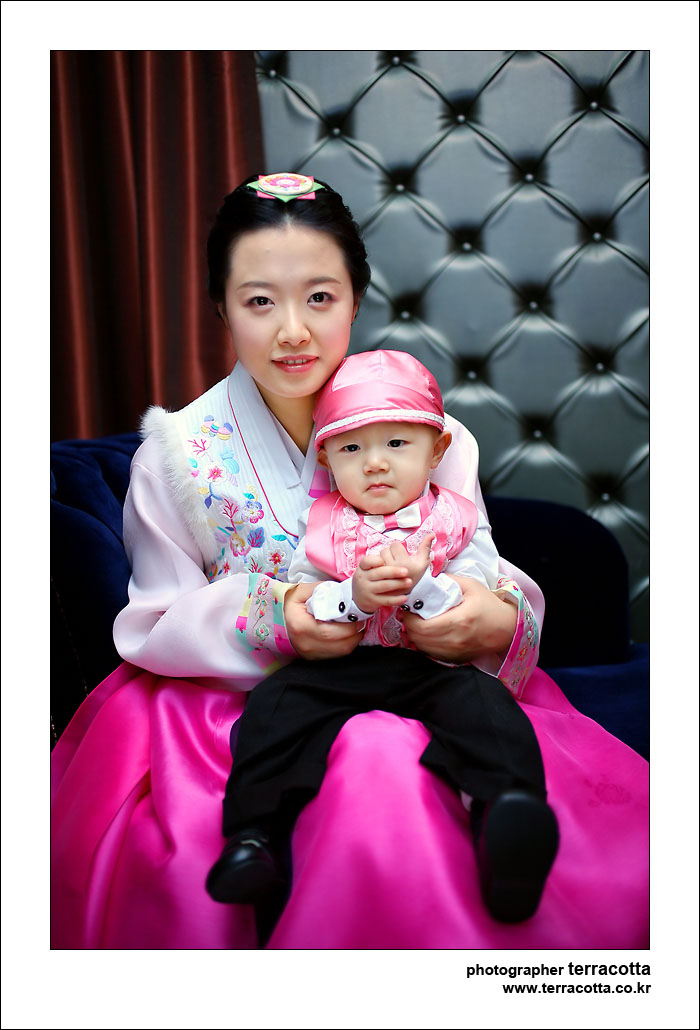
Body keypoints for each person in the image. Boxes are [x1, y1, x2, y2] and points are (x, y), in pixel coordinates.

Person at [51, 171, 649, 949]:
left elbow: (479, 562)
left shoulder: (429, 432)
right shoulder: (176, 456)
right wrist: (281, 617)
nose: (292, 331)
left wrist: (486, 618)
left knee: (432, 749)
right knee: (369, 761)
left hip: (430, 682)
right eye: (259, 301)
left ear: (357, 301)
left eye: (320, 297)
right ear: (221, 307)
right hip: (245, 703)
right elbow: (155, 620)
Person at [205, 350, 559, 924]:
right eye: (351, 449)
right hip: (339, 667)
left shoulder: (457, 521)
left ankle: (507, 814)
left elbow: (473, 594)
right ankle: (253, 835)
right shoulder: (323, 523)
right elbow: (305, 595)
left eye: (396, 444)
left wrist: (423, 589)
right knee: (274, 706)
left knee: (486, 708)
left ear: (437, 450)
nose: (374, 464)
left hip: (431, 666)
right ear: (326, 457)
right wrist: (353, 597)